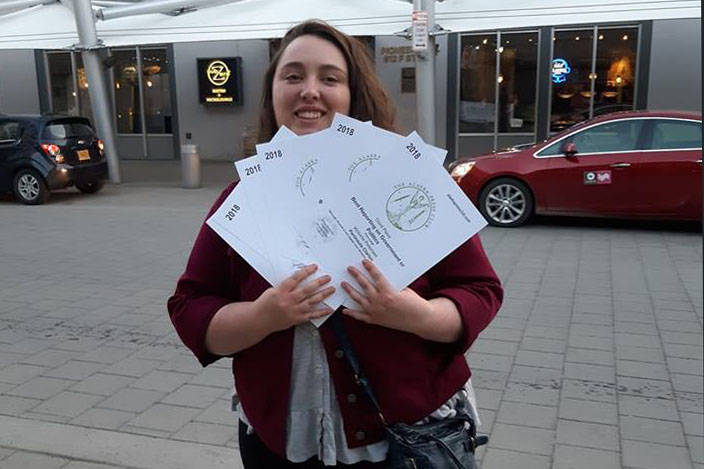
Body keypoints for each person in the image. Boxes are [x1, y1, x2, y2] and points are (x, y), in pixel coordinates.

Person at [168, 20, 503, 468]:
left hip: (404, 443)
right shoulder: (242, 198)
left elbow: (480, 291)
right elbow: (190, 307)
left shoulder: (408, 180)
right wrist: (263, 316)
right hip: (282, 443)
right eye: (293, 76)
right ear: (273, 94)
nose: (310, 90)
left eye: (329, 77)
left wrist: (414, 314)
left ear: (352, 94)